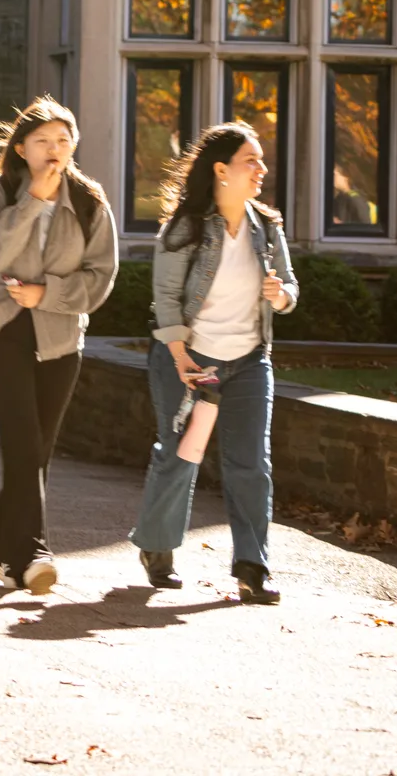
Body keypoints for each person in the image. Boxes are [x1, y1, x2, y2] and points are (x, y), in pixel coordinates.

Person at [131, 121, 298, 604]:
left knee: (251, 464)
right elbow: (164, 297)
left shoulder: (265, 226)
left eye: (261, 160)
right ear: (222, 170)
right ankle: (158, 548)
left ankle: (253, 565)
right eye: (252, 160)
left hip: (249, 361)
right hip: (192, 361)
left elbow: (290, 287)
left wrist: (280, 295)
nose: (262, 169)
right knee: (181, 455)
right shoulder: (185, 227)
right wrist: (182, 358)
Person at [0, 97, 118, 595]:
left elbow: (101, 278)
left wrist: (47, 294)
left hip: (59, 337)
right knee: (23, 443)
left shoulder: (91, 201)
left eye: (62, 140)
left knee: (38, 450)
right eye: (42, 142)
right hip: (2, 330)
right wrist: (32, 200)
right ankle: (33, 552)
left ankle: (6, 553)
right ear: (22, 148)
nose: (55, 151)